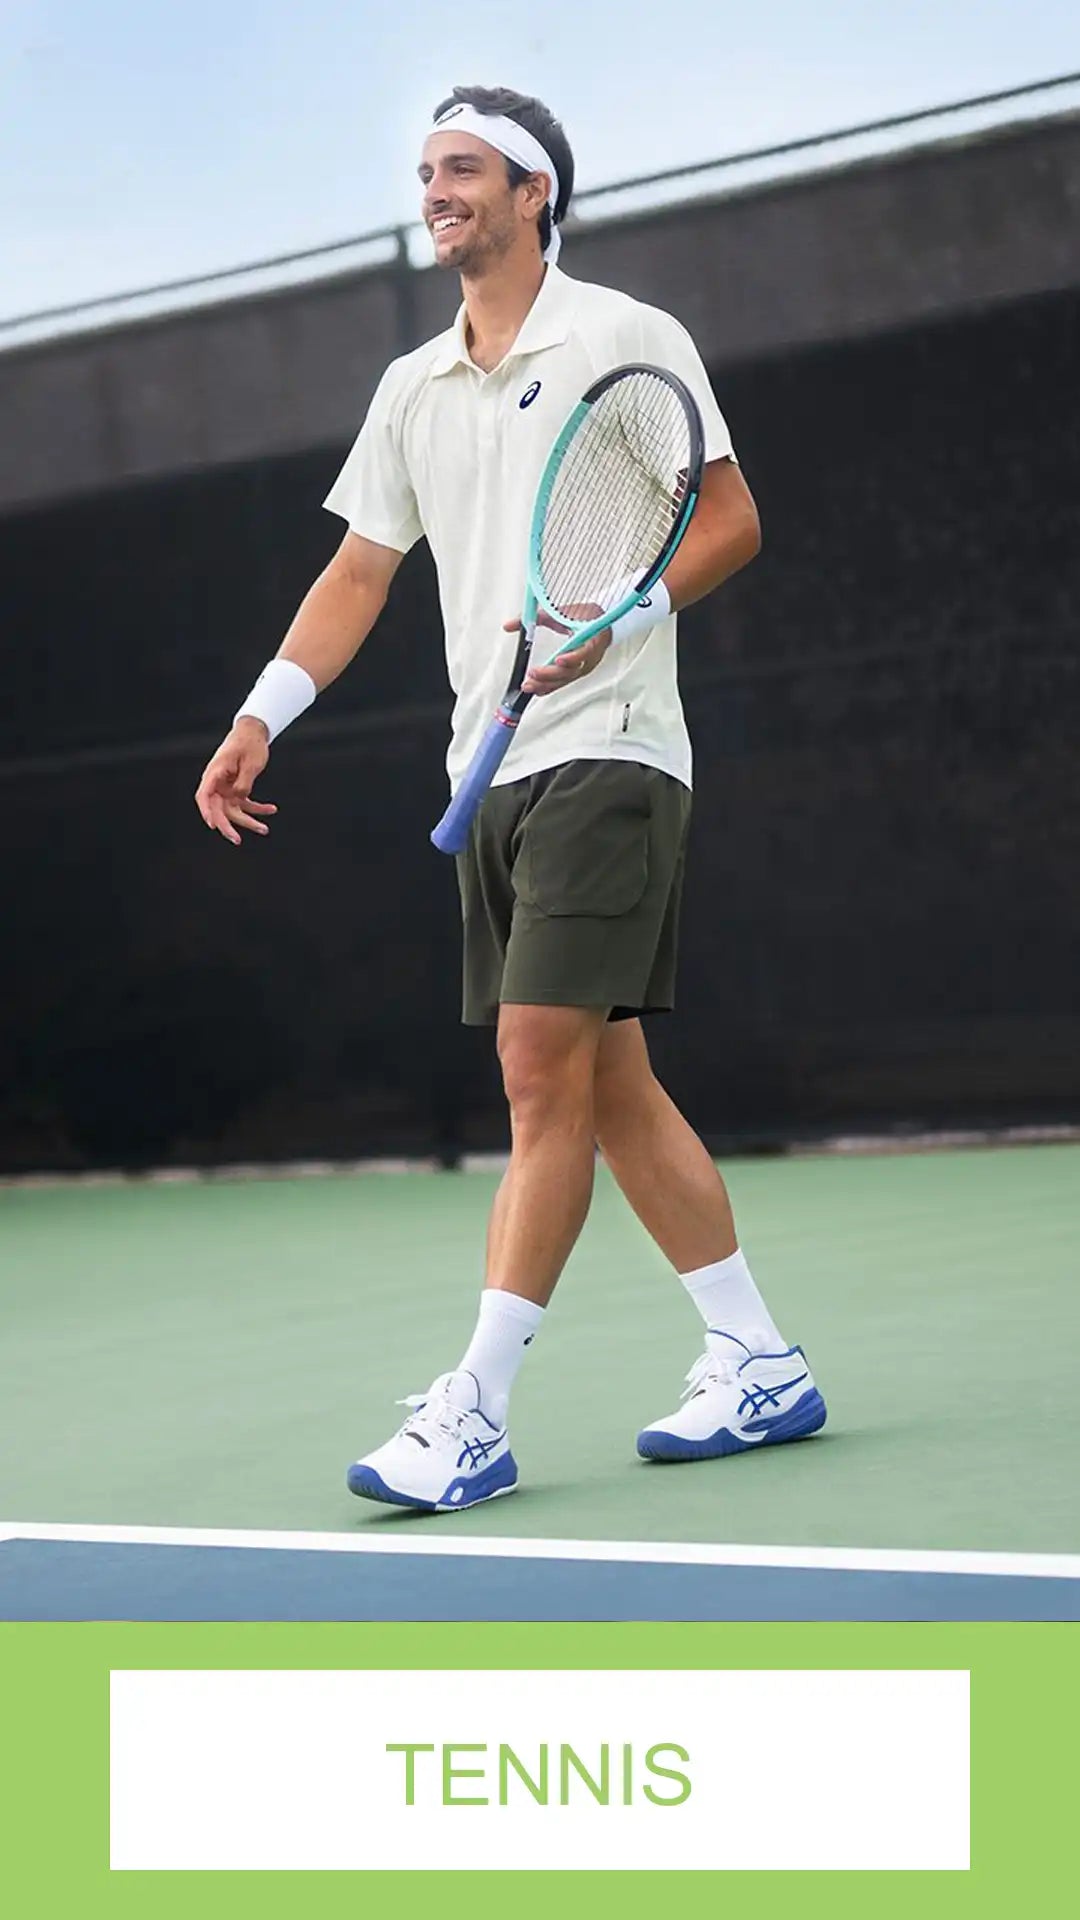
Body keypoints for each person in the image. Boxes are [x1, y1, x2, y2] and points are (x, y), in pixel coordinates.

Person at [195, 84, 826, 1513]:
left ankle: (473, 1409)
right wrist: (261, 711)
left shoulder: (623, 338)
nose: (437, 191)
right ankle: (758, 1358)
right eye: (425, 171)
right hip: (493, 767)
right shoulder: (412, 387)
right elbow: (360, 572)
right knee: (605, 1085)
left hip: (608, 746)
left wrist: (627, 610)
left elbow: (727, 517)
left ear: (535, 191)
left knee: (539, 1071)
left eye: (464, 169)